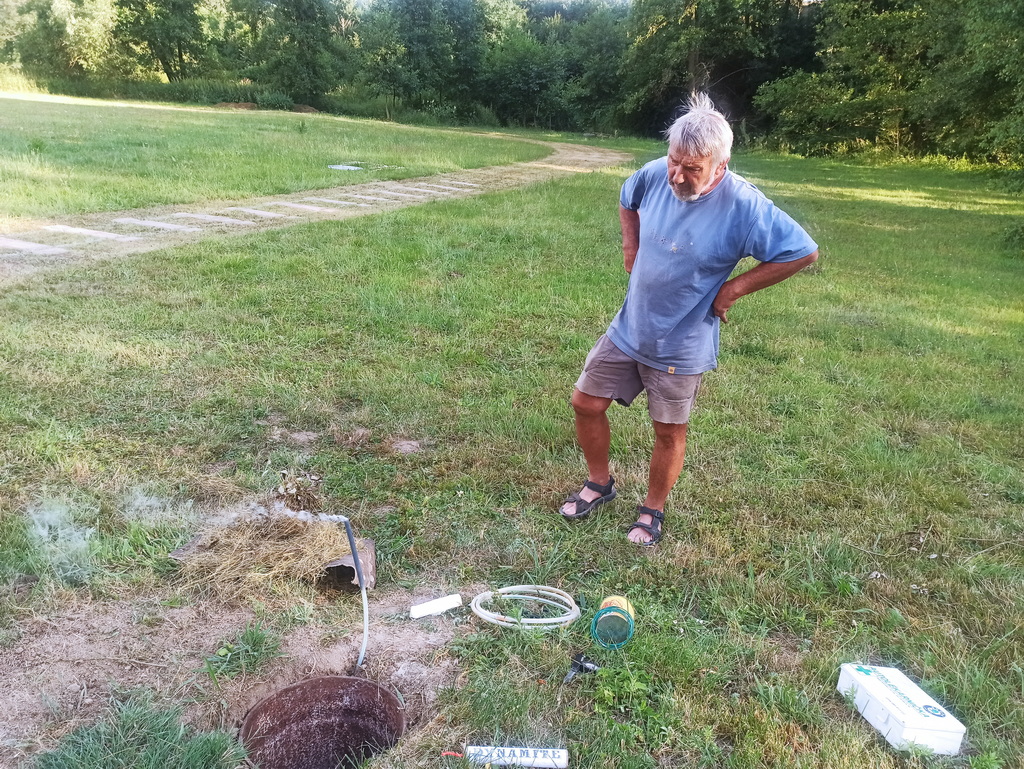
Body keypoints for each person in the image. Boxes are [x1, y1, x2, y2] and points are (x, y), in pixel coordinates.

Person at [559, 92, 819, 546]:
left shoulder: (745, 207)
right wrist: (630, 245)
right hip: (630, 325)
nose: (677, 176)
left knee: (668, 431)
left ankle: (652, 509)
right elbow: (628, 197)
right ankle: (599, 483)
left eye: (692, 168)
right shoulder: (655, 174)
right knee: (585, 403)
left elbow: (802, 251)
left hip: (682, 342)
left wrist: (732, 289)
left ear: (721, 165)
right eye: (673, 161)